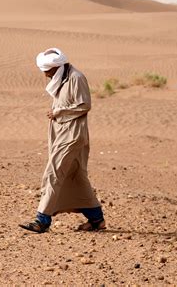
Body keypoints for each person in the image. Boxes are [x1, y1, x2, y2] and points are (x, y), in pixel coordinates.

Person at [19, 47, 106, 233]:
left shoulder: (76, 78)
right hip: (62, 132)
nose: (45, 75)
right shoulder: (63, 77)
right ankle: (97, 219)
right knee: (76, 177)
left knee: (53, 173)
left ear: (57, 67)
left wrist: (59, 112)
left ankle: (42, 220)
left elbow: (84, 105)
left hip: (73, 135)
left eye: (48, 71)